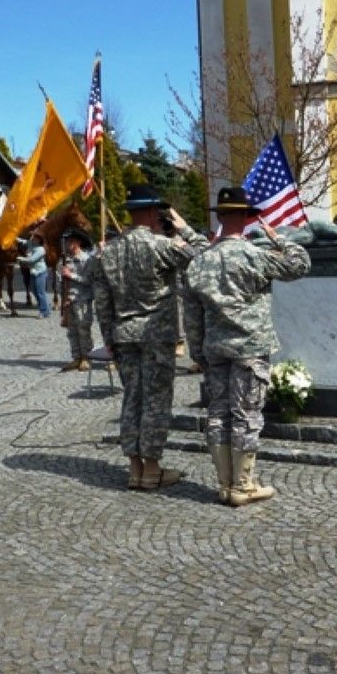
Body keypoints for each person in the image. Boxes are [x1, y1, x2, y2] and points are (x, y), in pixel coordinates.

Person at [184, 186, 311, 506]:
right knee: (246, 415)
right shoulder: (256, 255)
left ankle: (225, 484)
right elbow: (300, 264)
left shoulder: (200, 261)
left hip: (215, 347)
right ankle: (243, 485)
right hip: (250, 348)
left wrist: (198, 351)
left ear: (221, 217)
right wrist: (278, 238)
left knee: (218, 413)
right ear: (245, 216)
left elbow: (192, 313)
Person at [90, 184, 209, 491]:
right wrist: (185, 229)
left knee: (132, 399)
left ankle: (134, 468)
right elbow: (207, 259)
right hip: (156, 334)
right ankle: (152, 469)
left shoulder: (109, 251)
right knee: (155, 400)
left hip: (123, 336)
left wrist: (110, 341)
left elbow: (102, 304)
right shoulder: (161, 246)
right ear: (151, 211)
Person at [58, 228, 95, 372]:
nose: (68, 244)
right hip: (69, 299)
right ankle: (76, 357)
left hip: (82, 299)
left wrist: (71, 275)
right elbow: (62, 281)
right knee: (71, 330)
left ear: (78, 243)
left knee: (83, 329)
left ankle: (87, 357)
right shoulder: (67, 259)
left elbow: (89, 280)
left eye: (71, 241)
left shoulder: (86, 259)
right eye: (67, 241)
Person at [16, 233, 50, 318]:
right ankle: (46, 309)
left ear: (39, 240)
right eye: (33, 236)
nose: (32, 237)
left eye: (35, 237)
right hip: (33, 272)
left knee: (40, 292)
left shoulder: (41, 250)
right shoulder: (31, 243)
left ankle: (43, 311)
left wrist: (20, 258)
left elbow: (31, 260)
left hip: (40, 272)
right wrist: (13, 237)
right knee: (34, 290)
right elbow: (22, 241)